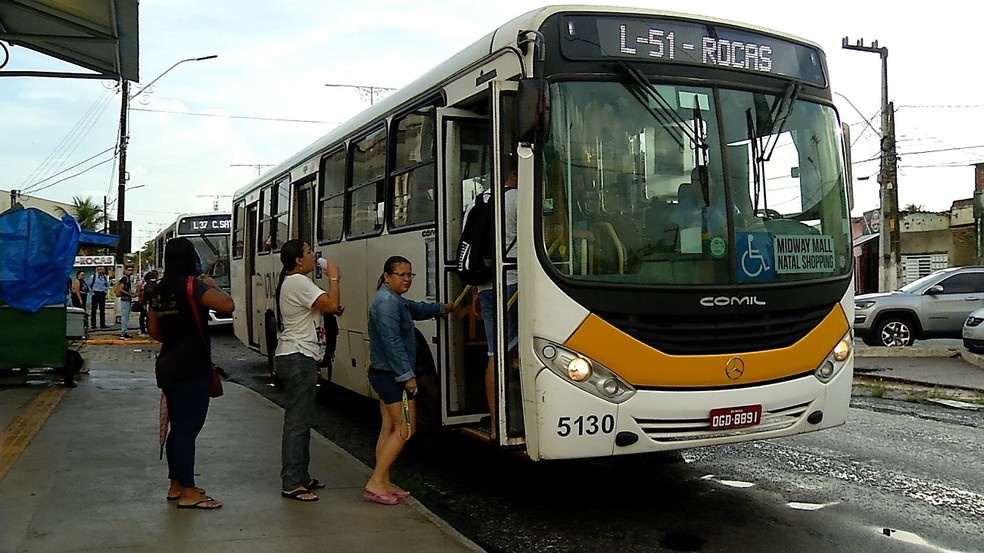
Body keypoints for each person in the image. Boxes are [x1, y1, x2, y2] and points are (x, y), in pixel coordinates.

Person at [147, 237, 234, 510]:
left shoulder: (157, 290)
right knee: (187, 430)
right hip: (192, 365)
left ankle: (177, 484)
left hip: (168, 365)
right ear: (191, 259)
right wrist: (213, 286)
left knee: (178, 430)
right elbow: (227, 306)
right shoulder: (193, 286)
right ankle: (188, 492)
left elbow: (154, 332)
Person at [364, 256, 452, 505]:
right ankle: (375, 482)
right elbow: (393, 345)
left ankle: (383, 481)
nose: (406, 279)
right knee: (406, 428)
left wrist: (444, 308)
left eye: (409, 274)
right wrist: (408, 377)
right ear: (387, 276)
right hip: (391, 377)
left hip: (384, 374)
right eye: (401, 274)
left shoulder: (393, 300)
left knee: (389, 428)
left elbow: (417, 309)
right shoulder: (386, 304)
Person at [273, 239, 343, 503]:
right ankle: (292, 482)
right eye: (309, 252)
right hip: (298, 356)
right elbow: (331, 305)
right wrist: (334, 277)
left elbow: (323, 308)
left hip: (297, 355)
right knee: (297, 423)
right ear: (298, 261)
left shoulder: (294, 281)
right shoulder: (298, 282)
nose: (315, 256)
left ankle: (300, 476)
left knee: (301, 421)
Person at [468, 168, 519, 439]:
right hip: (517, 285)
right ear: (514, 172)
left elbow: (471, 250)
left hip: (488, 286)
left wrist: (476, 291)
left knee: (494, 353)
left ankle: (498, 423)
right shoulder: (519, 199)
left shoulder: (477, 202)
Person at [117, 264, 137, 339]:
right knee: (125, 316)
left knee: (126, 316)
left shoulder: (128, 278)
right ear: (125, 271)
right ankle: (123, 333)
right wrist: (130, 294)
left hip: (127, 299)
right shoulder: (125, 278)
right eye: (129, 270)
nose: (130, 272)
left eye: (131, 270)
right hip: (125, 299)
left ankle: (124, 332)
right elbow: (121, 289)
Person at [137, 270, 159, 336]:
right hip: (153, 303)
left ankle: (144, 330)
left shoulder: (146, 284)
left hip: (147, 302)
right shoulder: (156, 284)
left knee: (144, 316)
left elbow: (144, 294)